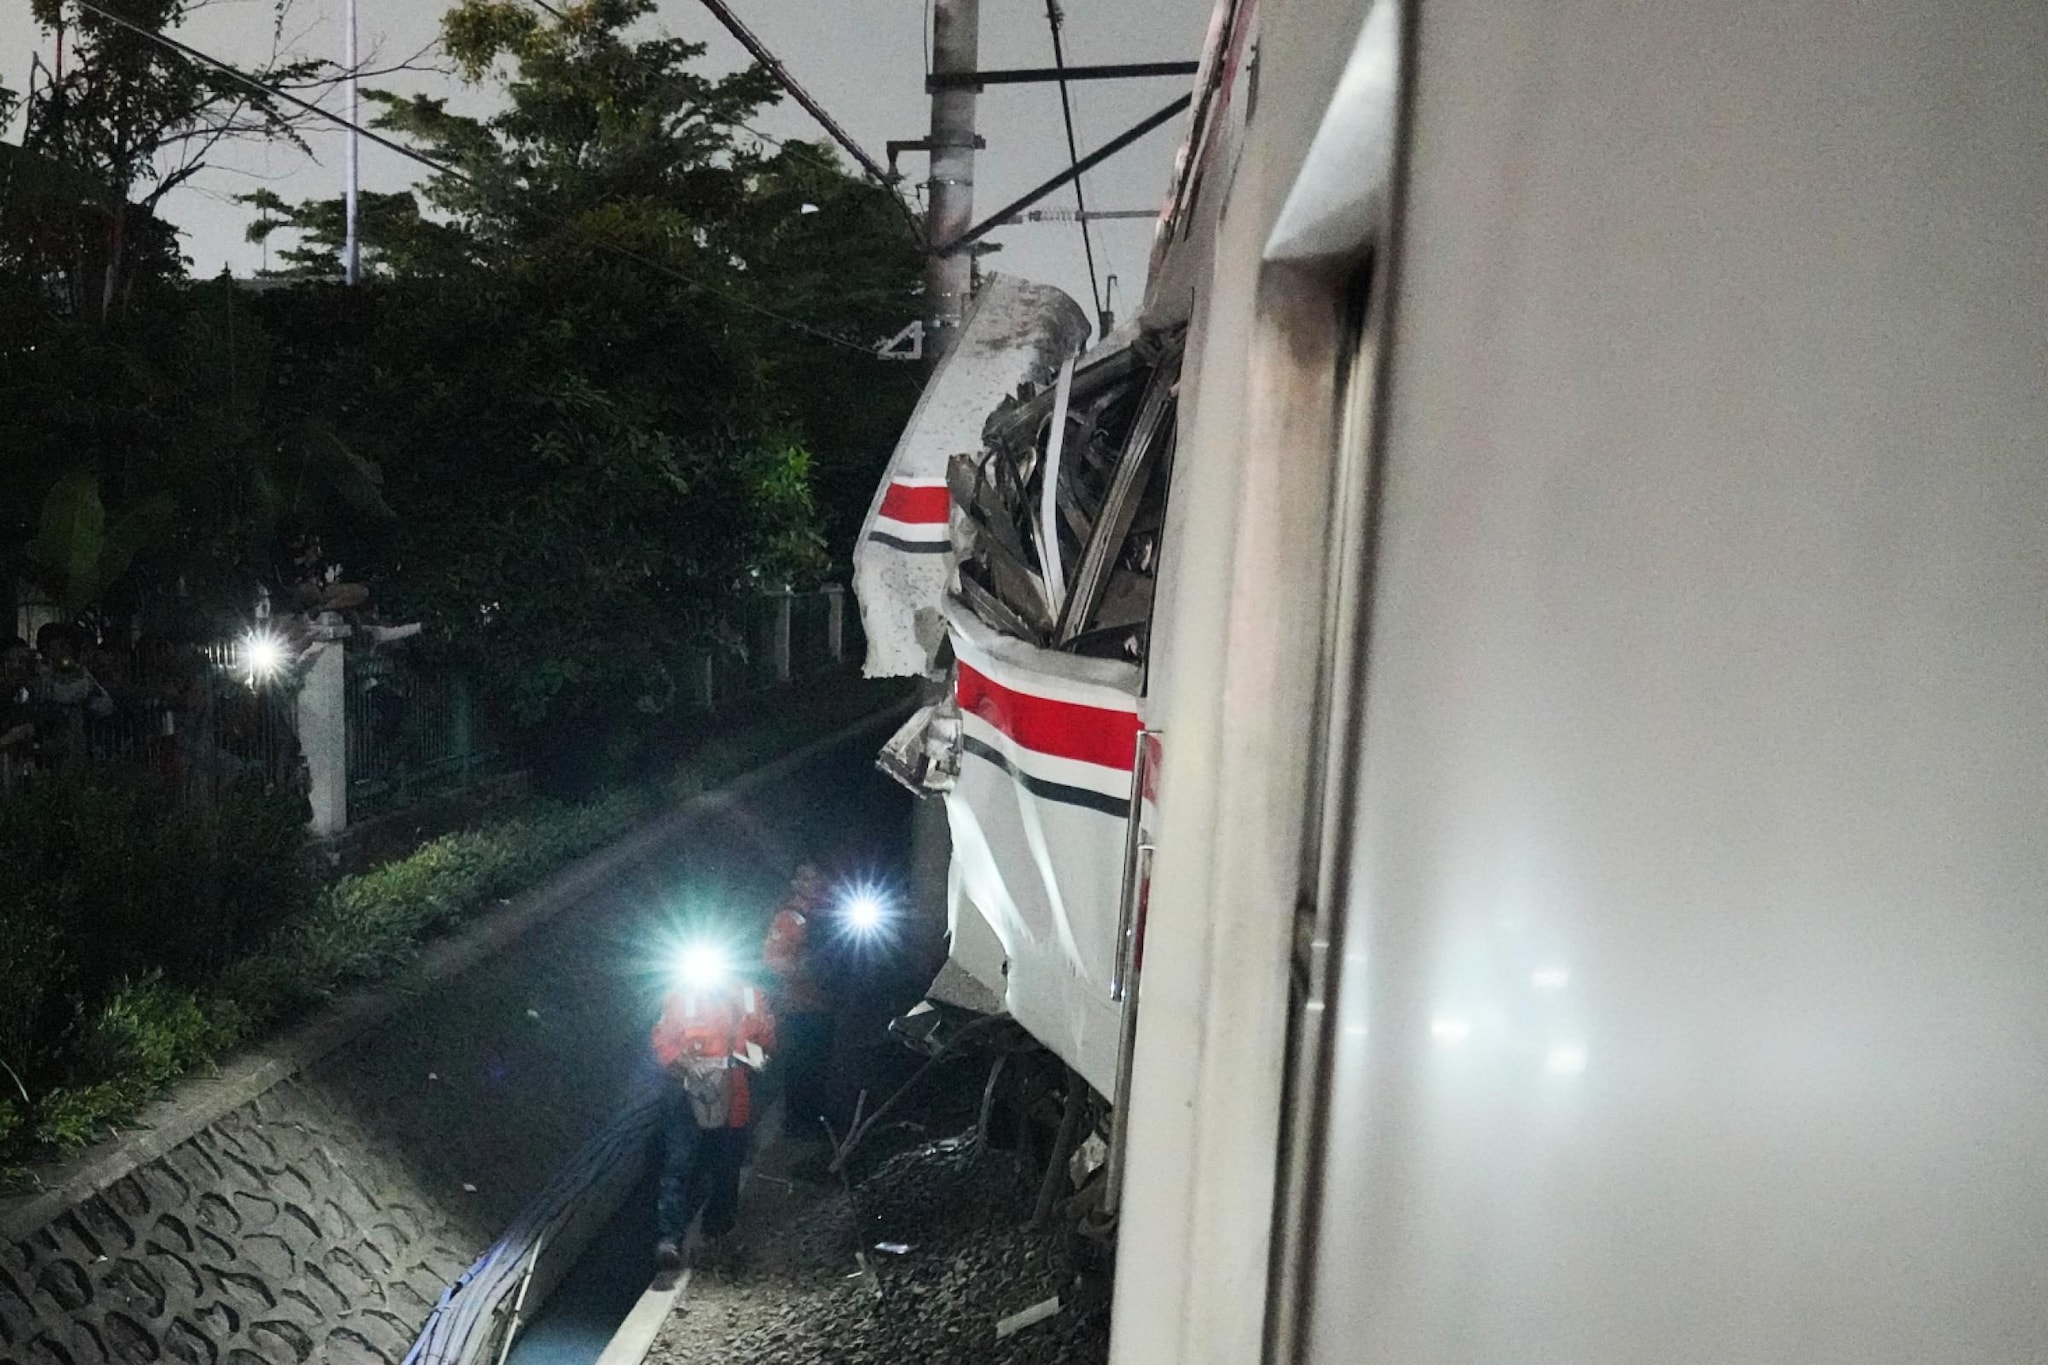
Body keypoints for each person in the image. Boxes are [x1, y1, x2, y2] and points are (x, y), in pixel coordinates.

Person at [650, 958, 775, 1278]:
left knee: (727, 1164)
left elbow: (765, 1039)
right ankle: (670, 1238)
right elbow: (662, 1038)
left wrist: (756, 1057)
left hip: (732, 1091)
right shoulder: (683, 995)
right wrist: (680, 1062)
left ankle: (716, 1231)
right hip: (688, 1090)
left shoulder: (749, 997)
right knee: (679, 1162)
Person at [763, 864, 835, 1142]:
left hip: (822, 1003)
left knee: (818, 1066)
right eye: (807, 878)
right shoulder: (790, 919)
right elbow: (773, 960)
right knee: (801, 1067)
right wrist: (806, 972)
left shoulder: (824, 916)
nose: (815, 883)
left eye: (817, 878)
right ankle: (797, 1126)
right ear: (796, 883)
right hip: (799, 1006)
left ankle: (813, 1120)